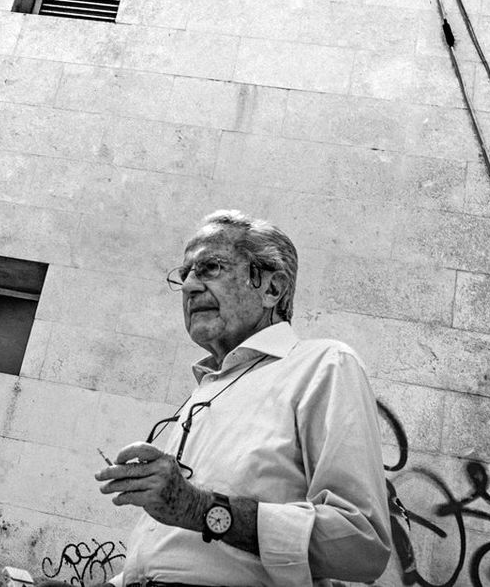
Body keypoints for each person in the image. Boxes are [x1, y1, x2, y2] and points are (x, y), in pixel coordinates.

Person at [52, 210, 391, 586]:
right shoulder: (205, 389)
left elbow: (362, 546)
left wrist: (202, 509)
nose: (189, 287)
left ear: (272, 289)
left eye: (209, 267)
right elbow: (176, 558)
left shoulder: (322, 365)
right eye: (184, 274)